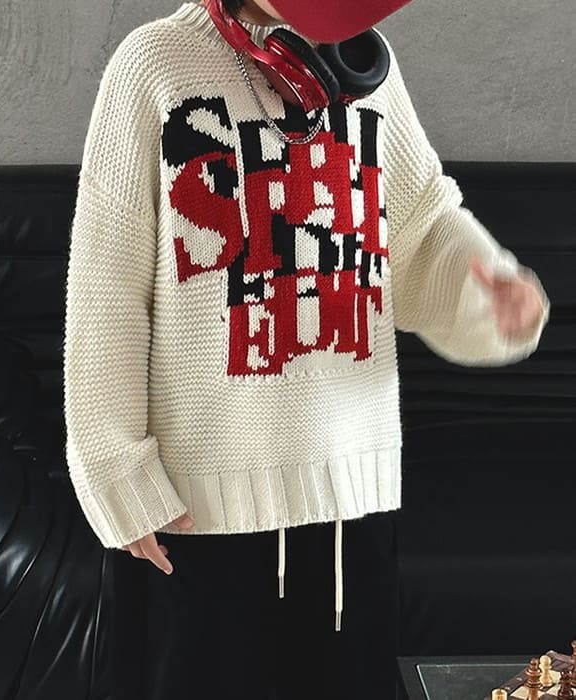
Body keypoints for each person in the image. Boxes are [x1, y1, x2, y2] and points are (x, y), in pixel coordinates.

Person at [62, 0, 551, 698]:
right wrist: (116, 471)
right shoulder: (152, 66)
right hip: (198, 514)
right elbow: (106, 286)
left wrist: (491, 295)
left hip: (353, 500)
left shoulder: (365, 67)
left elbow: (422, 226)